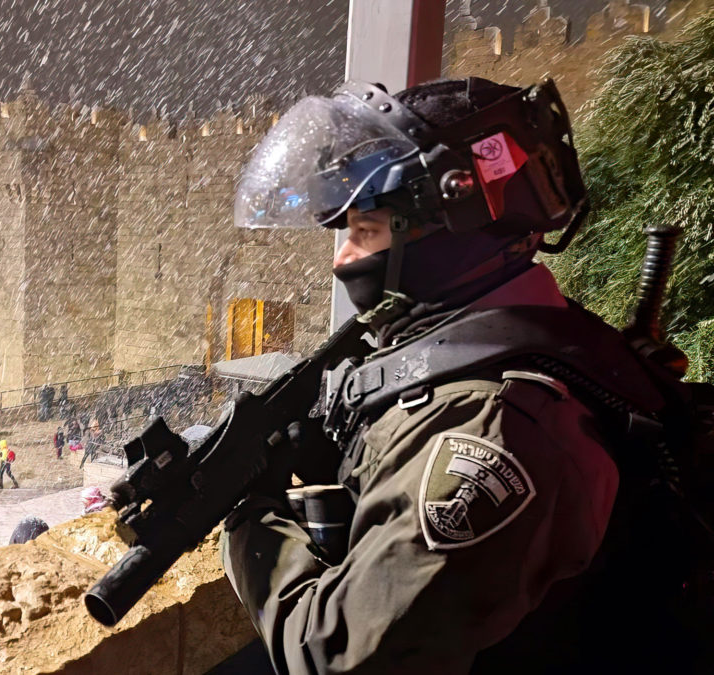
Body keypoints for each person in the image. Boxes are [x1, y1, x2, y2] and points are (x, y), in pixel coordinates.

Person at [219, 77, 695, 673]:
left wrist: (246, 517)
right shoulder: (546, 332)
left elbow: (336, 655)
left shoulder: (497, 427)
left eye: (364, 231)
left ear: (449, 239)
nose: (342, 259)